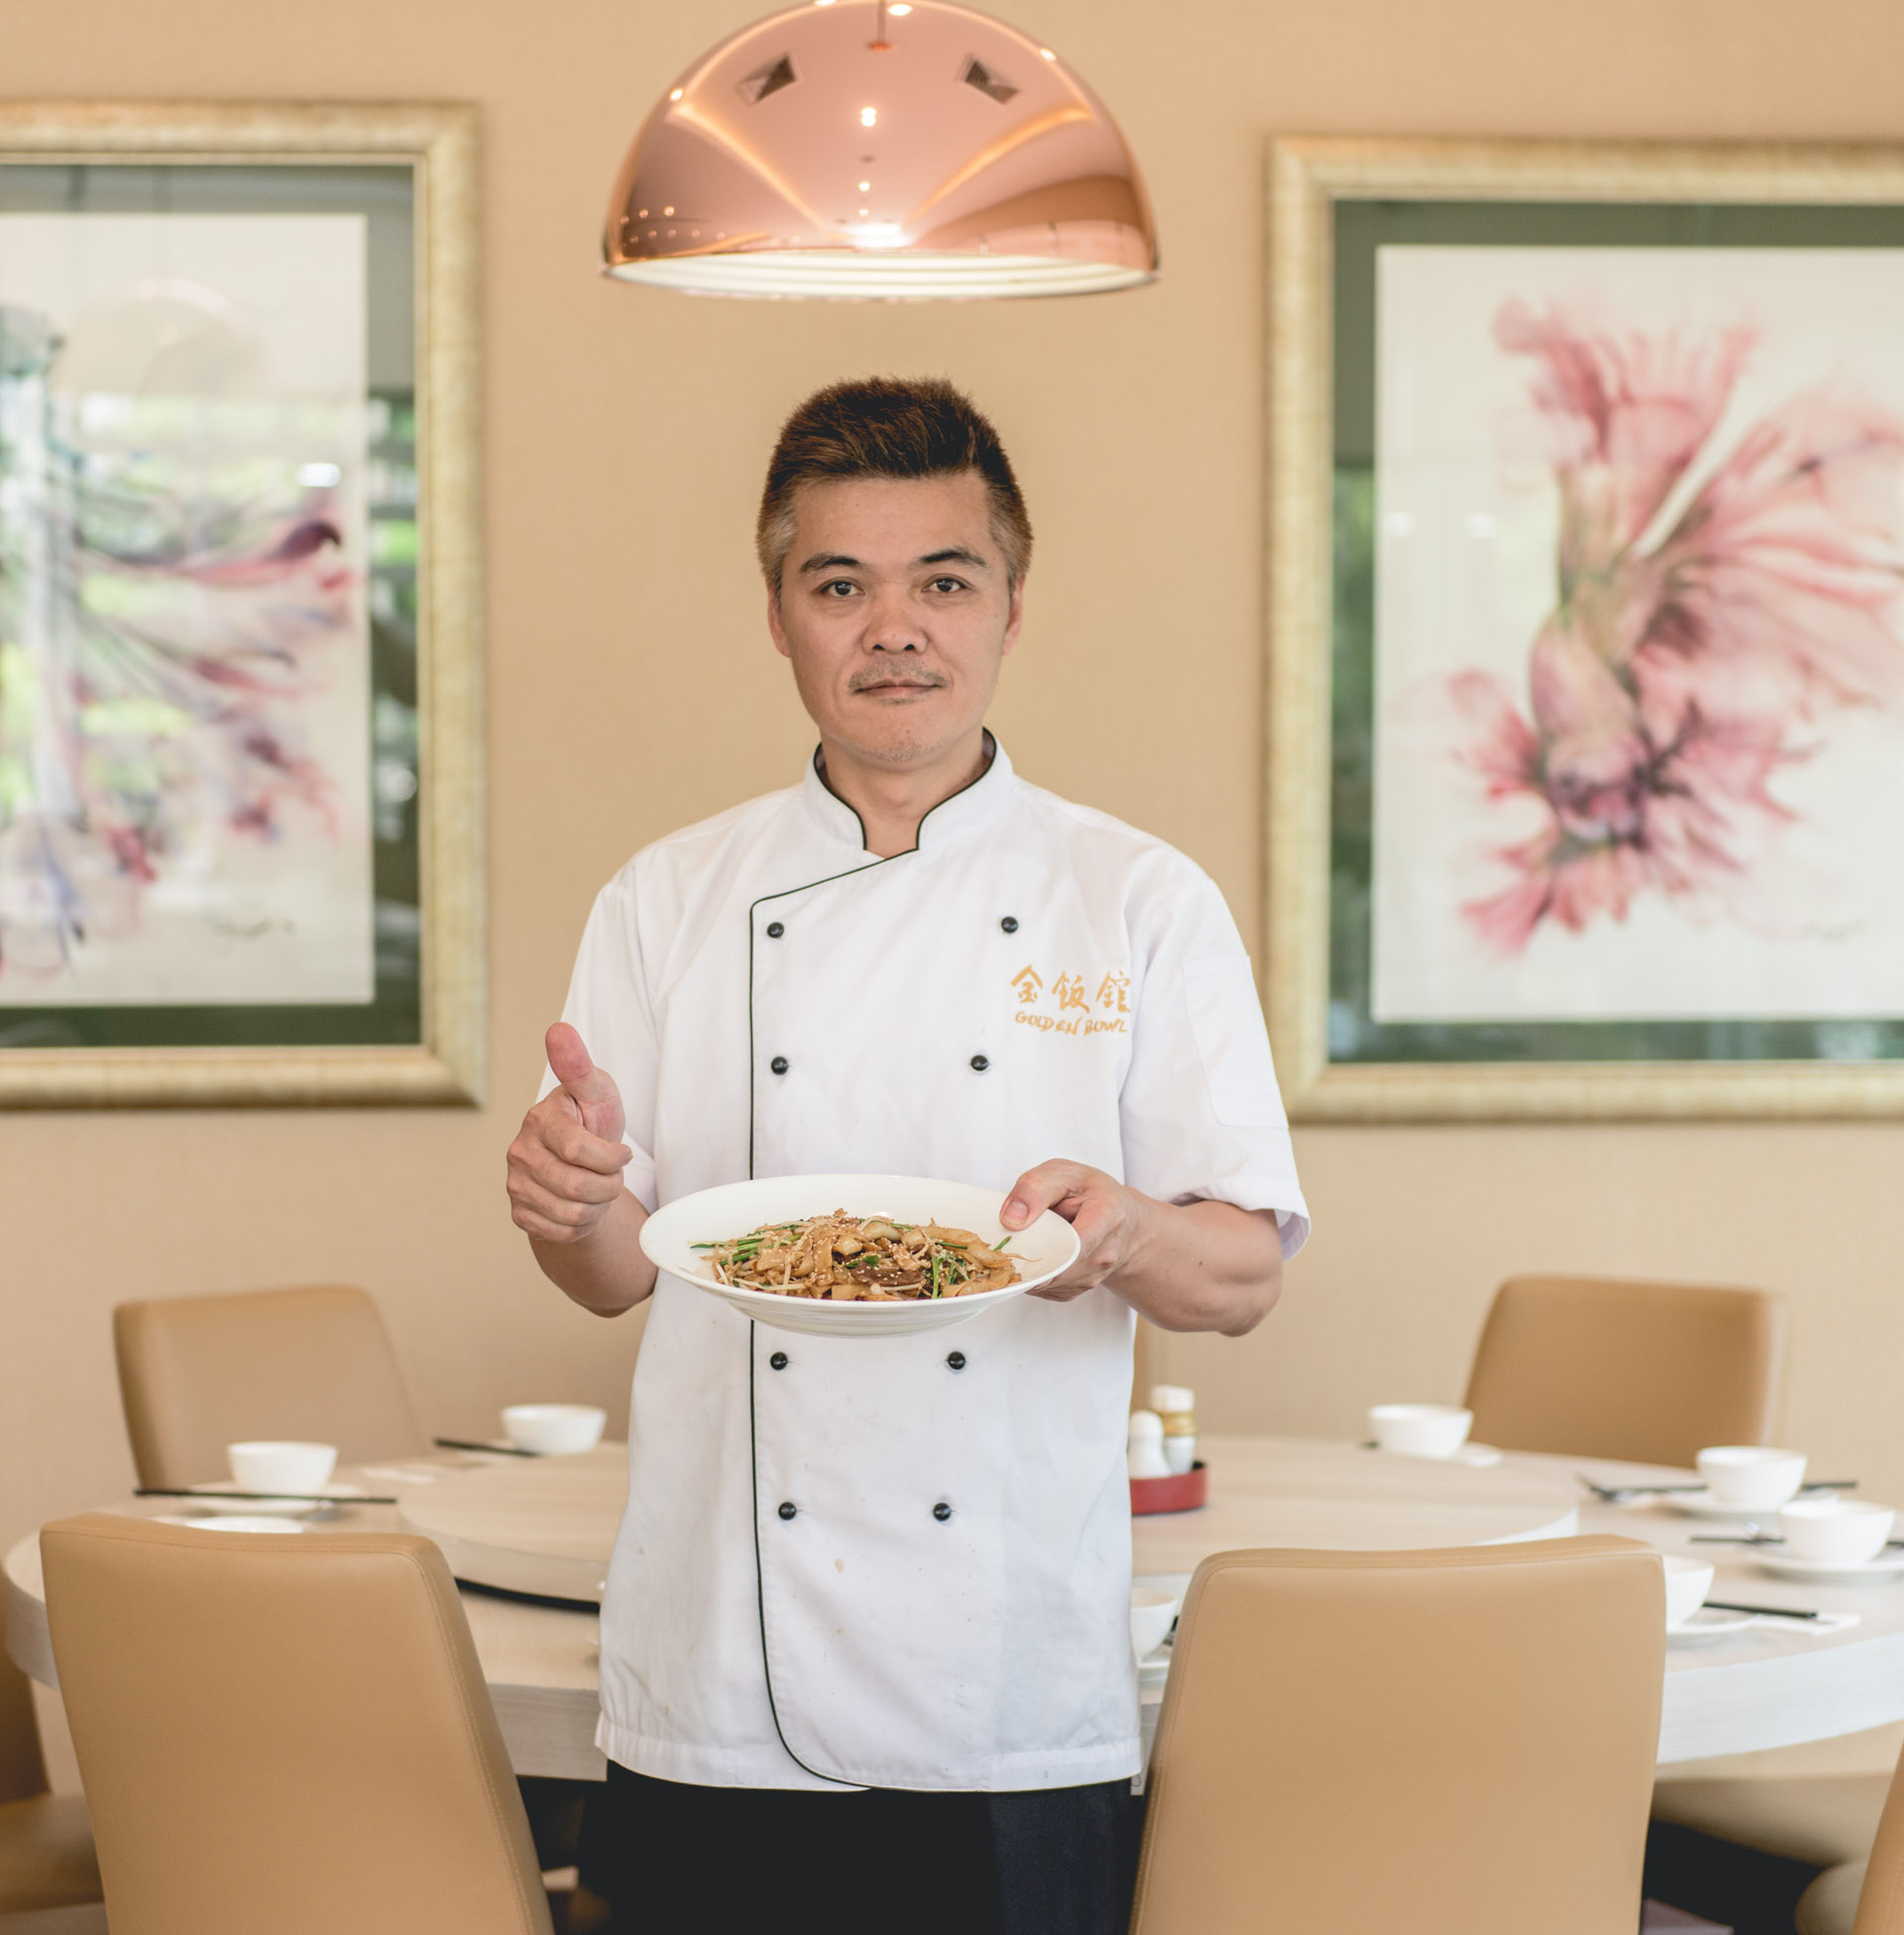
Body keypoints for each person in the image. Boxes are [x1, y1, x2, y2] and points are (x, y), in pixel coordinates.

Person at [504, 378, 1308, 1935]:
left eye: (943, 581)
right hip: (720, 1669)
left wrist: (1127, 1233)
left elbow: (1243, 1275)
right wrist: (569, 1199)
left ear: (1011, 603)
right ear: (777, 615)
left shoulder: (1137, 899)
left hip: (1005, 1683)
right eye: (839, 586)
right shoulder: (667, 896)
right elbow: (609, 1273)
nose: (895, 629)